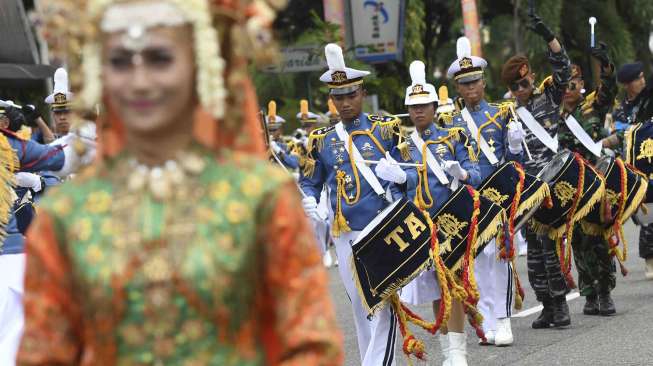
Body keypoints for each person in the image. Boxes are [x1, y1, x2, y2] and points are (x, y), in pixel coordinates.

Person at [18, 1, 343, 365]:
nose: (140, 81)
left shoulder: (260, 198)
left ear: (198, 66)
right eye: (120, 61)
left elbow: (311, 346)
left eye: (160, 58)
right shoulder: (66, 215)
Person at [300, 42, 401, 366]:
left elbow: (413, 173)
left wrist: (401, 177)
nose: (344, 103)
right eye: (338, 97)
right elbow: (309, 180)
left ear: (361, 92)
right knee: (360, 306)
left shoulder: (385, 130)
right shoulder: (322, 140)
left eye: (350, 95)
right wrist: (310, 200)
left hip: (381, 228)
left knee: (382, 303)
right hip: (345, 233)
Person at [379, 60, 480, 366]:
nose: (418, 111)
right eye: (413, 107)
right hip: (421, 226)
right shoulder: (403, 147)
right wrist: (393, 186)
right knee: (438, 289)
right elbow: (394, 190)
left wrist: (460, 174)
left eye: (424, 105)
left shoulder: (453, 137)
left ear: (435, 107)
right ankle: (448, 350)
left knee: (453, 284)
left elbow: (476, 175)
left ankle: (458, 352)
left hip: (451, 222)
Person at [449, 36, 526, 346]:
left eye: (476, 82)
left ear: (483, 82)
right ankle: (487, 320)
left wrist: (515, 145)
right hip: (469, 198)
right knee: (477, 261)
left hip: (498, 195)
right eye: (465, 84)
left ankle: (504, 318)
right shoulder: (450, 121)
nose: (471, 89)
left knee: (500, 258)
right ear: (458, 88)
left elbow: (515, 163)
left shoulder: (502, 112)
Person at [501, 12, 572, 329]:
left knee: (551, 252)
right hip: (527, 190)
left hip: (552, 186)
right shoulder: (508, 115)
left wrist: (549, 38)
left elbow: (564, 69)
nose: (521, 88)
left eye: (525, 82)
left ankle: (560, 306)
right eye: (516, 86)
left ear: (533, 79)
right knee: (534, 257)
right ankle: (545, 304)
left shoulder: (549, 98)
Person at [558, 53, 619, 315]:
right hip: (570, 185)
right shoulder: (553, 115)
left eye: (575, 82)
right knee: (578, 242)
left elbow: (609, 91)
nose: (570, 88)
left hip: (595, 184)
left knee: (599, 240)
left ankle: (605, 292)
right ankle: (589, 293)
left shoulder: (592, 106)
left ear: (581, 83)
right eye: (565, 83)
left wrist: (607, 69)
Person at [612, 61, 653, 279]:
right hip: (632, 167)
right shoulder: (621, 110)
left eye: (643, 77)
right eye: (638, 79)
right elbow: (620, 136)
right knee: (646, 215)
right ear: (628, 84)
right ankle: (649, 259)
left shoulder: (649, 99)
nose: (642, 81)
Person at [266, 100, 300, 170]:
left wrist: (280, 152)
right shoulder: (262, 146)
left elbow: (294, 163)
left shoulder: (288, 146)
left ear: (280, 130)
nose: (271, 133)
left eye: (274, 130)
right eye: (269, 130)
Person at [45, 68, 73, 137]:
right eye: (58, 113)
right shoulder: (50, 144)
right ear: (53, 115)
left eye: (66, 112)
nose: (62, 117)